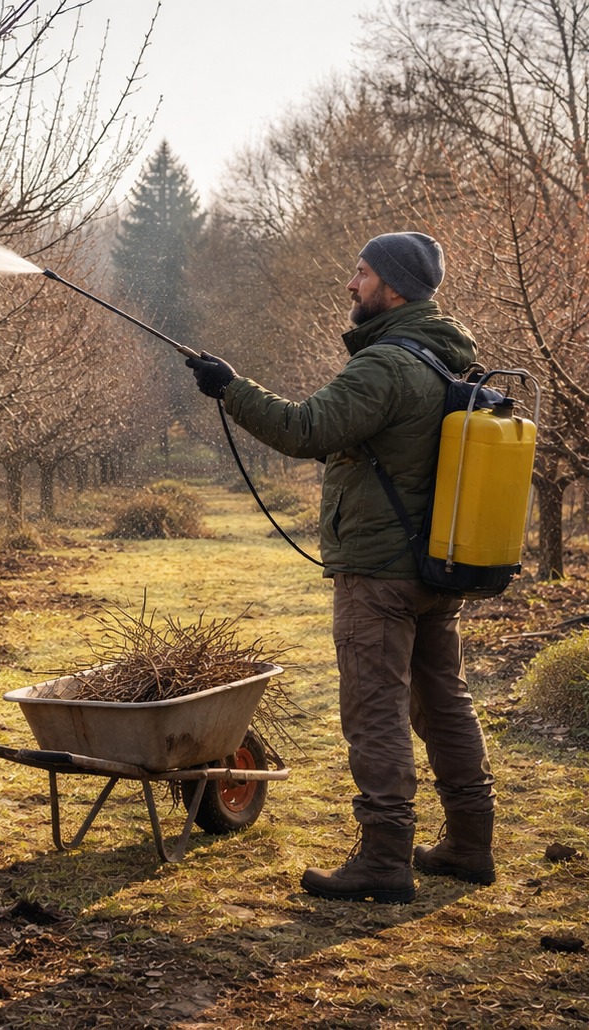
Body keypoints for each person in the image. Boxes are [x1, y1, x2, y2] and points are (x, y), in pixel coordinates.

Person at [186, 231, 496, 904]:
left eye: (361, 274)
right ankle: (471, 843)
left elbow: (305, 429)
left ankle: (384, 858)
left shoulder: (386, 364)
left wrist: (231, 388)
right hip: (434, 567)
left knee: (374, 709)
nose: (350, 285)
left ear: (395, 288)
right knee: (443, 702)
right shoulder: (448, 358)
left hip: (379, 575)